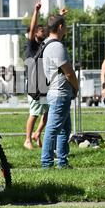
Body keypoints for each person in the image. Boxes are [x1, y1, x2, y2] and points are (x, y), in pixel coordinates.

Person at [41, 13, 78, 169]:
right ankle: (46, 163)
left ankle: (63, 162)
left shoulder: (48, 43)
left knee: (64, 130)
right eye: (66, 25)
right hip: (60, 93)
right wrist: (76, 87)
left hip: (58, 93)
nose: (67, 28)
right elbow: (68, 72)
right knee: (53, 129)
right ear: (61, 27)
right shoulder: (57, 46)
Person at [24, 1, 48, 150]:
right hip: (33, 83)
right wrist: (36, 11)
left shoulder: (45, 45)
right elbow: (33, 27)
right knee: (34, 112)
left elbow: (55, 31)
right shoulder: (31, 44)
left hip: (44, 82)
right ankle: (27, 140)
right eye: (40, 30)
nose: (43, 31)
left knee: (48, 111)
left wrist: (60, 16)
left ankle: (37, 133)